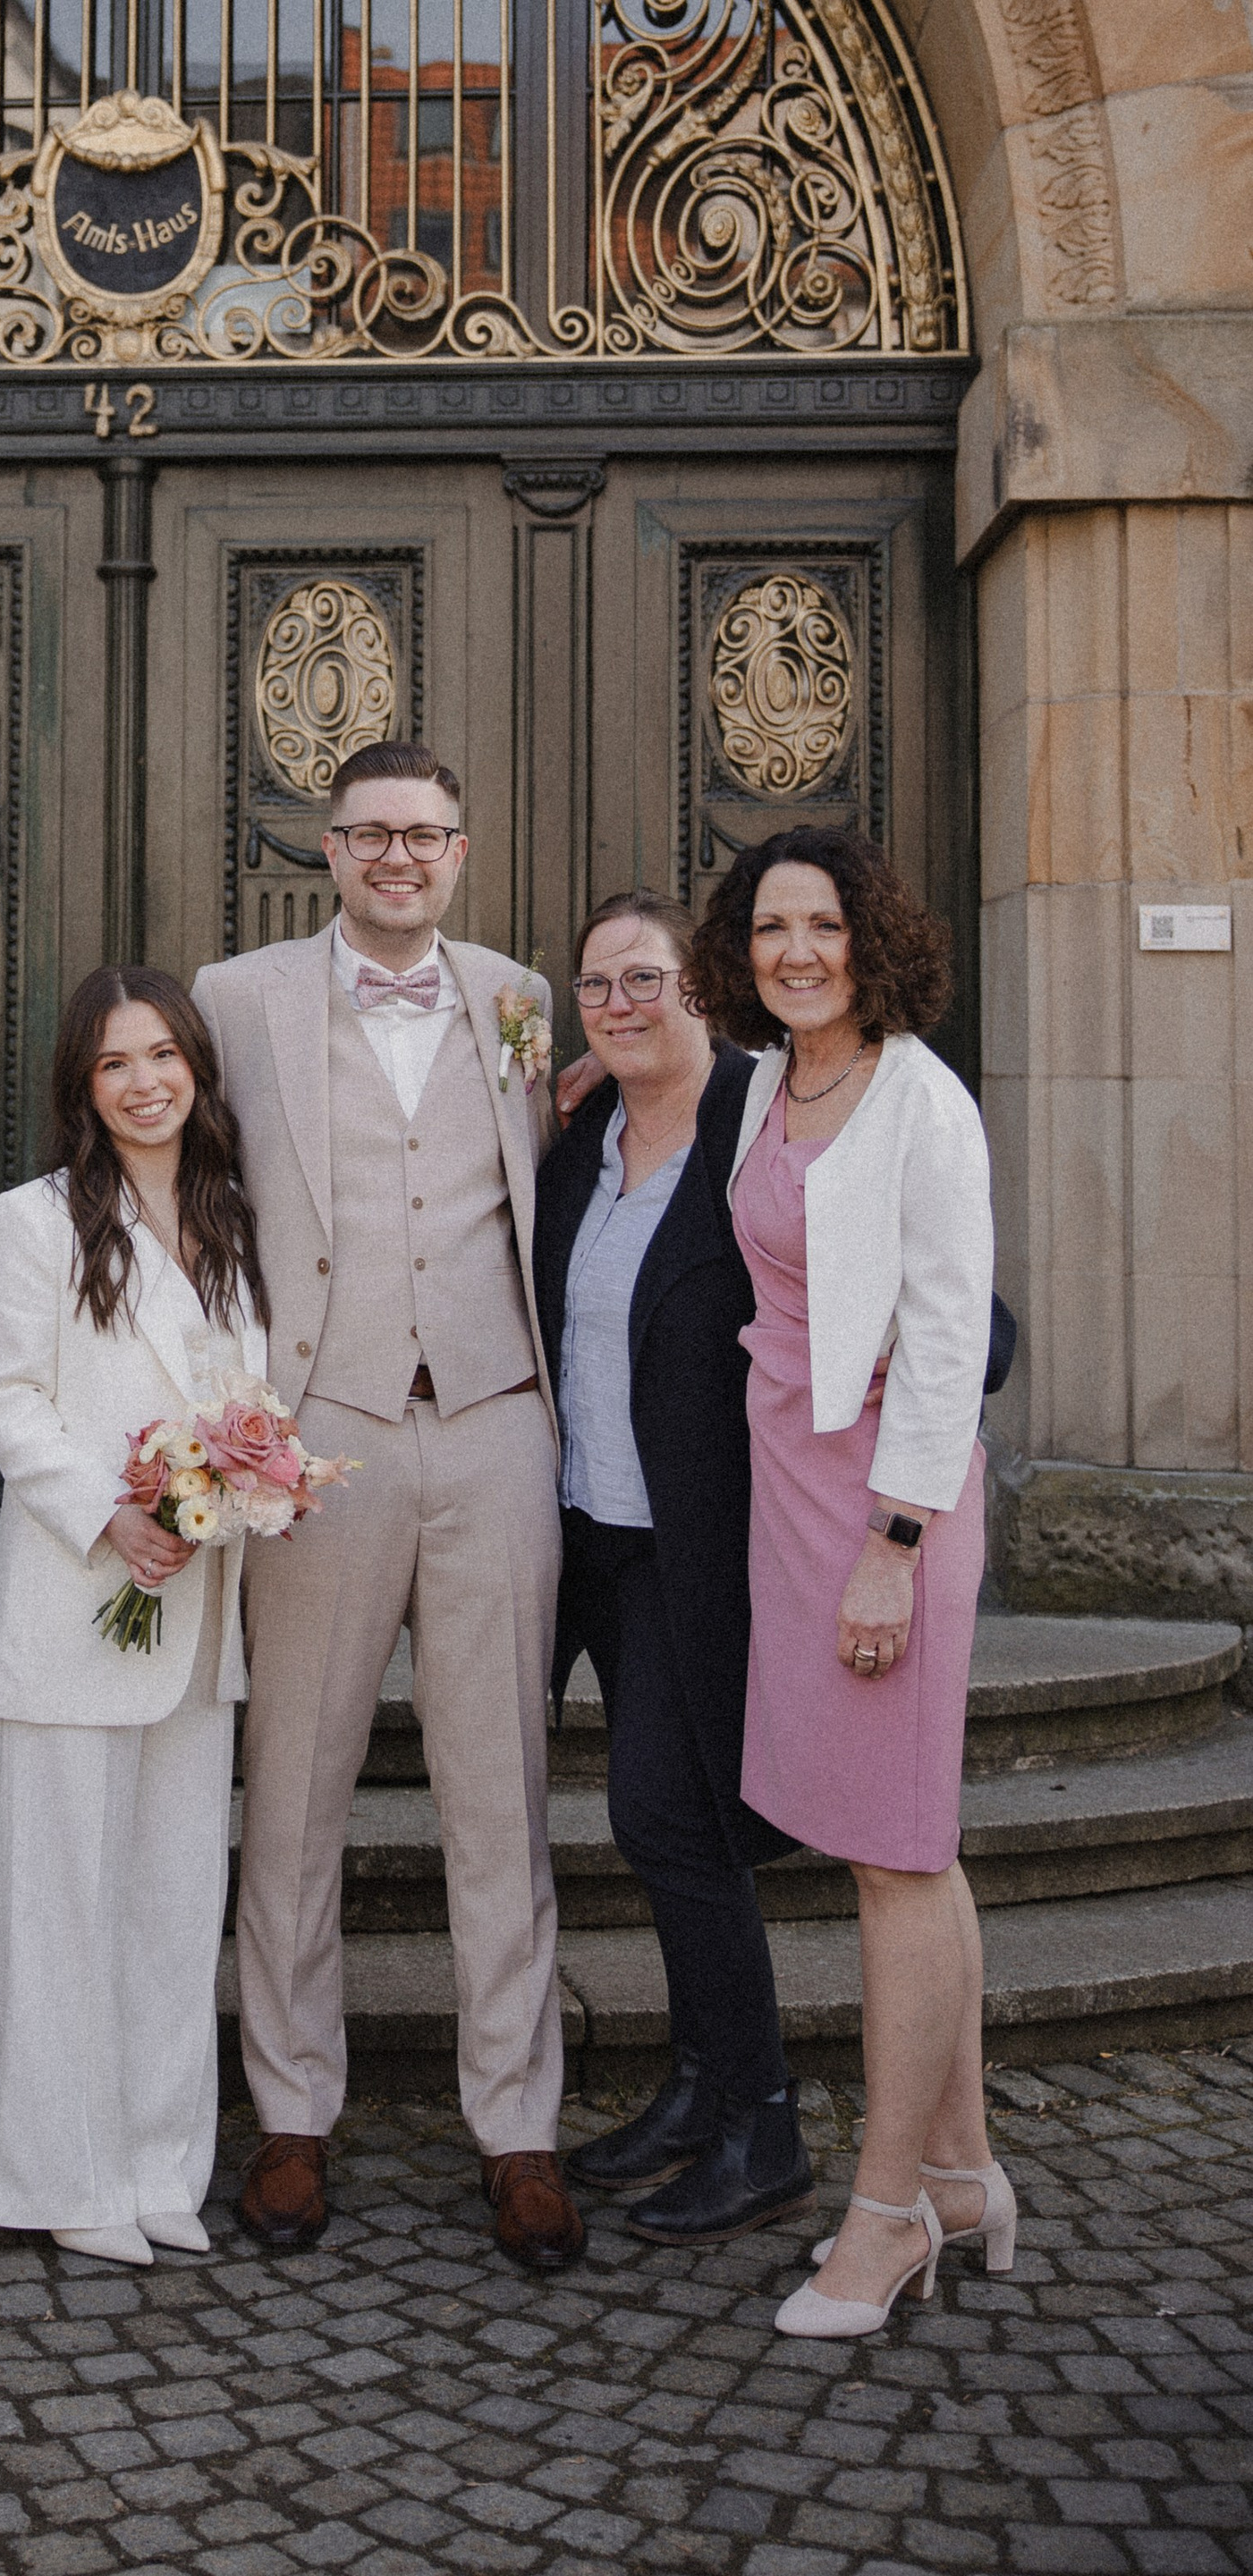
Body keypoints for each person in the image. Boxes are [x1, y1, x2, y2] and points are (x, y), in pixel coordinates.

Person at [194, 742, 580, 2273]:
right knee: (293, 1790)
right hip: (320, 1431)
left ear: (461, 850)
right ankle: (292, 2112)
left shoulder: (524, 998)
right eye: (370, 834)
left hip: (493, 1425)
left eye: (424, 834)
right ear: (331, 849)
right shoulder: (238, 1001)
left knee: (507, 1799)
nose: (398, 856)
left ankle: (522, 2129)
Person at [684, 825, 1007, 2337]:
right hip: (791, 1481)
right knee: (908, 1847)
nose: (794, 951)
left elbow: (949, 1334)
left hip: (891, 1500)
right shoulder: (763, 1081)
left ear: (869, 937)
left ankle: (882, 2223)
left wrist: (896, 1545)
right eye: (768, 929)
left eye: (819, 925)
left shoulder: (922, 1100)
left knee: (892, 1850)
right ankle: (961, 2168)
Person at [0, 967, 267, 2268]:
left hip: (198, 1617)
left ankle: (159, 2168)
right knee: (63, 1913)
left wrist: (256, 1482)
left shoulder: (233, 1219)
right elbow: (8, 1400)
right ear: (82, 1090)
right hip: (81, 1605)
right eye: (114, 1064)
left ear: (195, 1065)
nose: (146, 1082)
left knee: (169, 1911)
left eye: (164, 1056)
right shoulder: (34, 1222)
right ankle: (63, 2173)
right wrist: (109, 1513)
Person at [533, 891, 812, 2241]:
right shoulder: (580, 1136)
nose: (623, 1004)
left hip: (705, 1546)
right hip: (584, 1527)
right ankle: (702, 2090)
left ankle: (764, 2123)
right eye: (597, 986)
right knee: (671, 1819)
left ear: (701, 988)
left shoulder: (766, 1121)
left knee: (664, 1816)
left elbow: (917, 1306)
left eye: (647, 978)